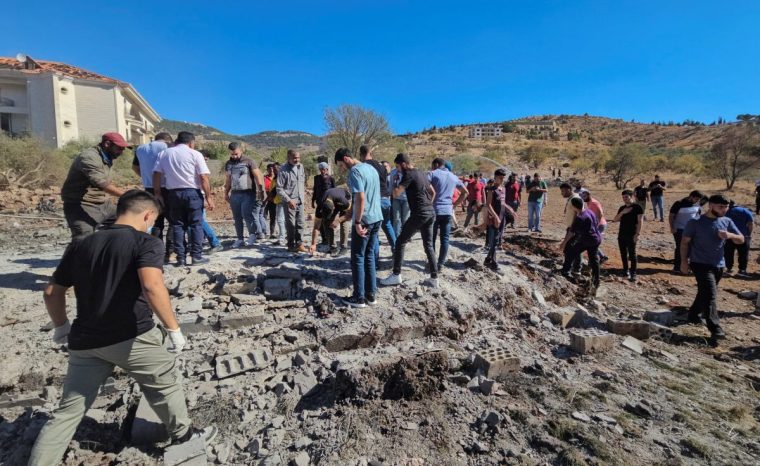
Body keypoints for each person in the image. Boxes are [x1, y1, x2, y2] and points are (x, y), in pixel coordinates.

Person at [27, 191, 216, 466]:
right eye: (153, 219)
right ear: (148, 215)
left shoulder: (82, 243)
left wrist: (61, 326)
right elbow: (151, 286)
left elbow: (51, 292)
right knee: (165, 385)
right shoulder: (146, 243)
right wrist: (173, 328)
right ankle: (185, 437)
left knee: (68, 412)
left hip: (85, 342)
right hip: (132, 336)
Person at [680, 194, 744, 340]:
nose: (724, 210)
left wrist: (729, 235)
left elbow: (741, 239)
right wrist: (684, 261)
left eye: (726, 207)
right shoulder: (695, 222)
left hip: (719, 264)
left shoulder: (727, 221)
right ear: (711, 205)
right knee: (710, 295)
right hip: (699, 263)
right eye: (721, 207)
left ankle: (693, 315)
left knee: (705, 291)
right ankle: (715, 328)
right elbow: (684, 242)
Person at [152, 131, 214, 267]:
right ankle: (196, 256)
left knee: (177, 225)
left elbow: (156, 174)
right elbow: (203, 177)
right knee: (196, 224)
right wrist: (208, 197)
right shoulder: (195, 154)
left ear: (176, 141)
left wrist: (157, 193)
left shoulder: (164, 154)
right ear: (191, 142)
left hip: (173, 194)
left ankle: (181, 258)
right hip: (192, 193)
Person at [380, 153, 439, 288]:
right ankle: (434, 278)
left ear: (404, 164)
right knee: (428, 245)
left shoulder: (408, 174)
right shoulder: (422, 173)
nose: (398, 169)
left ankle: (396, 275)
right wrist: (427, 205)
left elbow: (395, 193)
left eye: (398, 166)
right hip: (430, 212)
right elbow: (433, 192)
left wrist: (394, 179)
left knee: (400, 241)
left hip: (419, 213)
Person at [335, 148, 382, 308]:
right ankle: (371, 295)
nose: (341, 169)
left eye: (341, 165)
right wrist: (349, 214)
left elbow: (361, 197)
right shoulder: (371, 168)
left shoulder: (355, 172)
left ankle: (359, 297)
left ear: (346, 159)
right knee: (369, 255)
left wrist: (357, 222)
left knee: (357, 257)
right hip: (377, 217)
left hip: (365, 220)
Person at [61, 132, 127, 241]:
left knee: (127, 222)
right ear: (107, 144)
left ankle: (107, 252)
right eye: (119, 148)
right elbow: (101, 183)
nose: (121, 152)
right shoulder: (89, 157)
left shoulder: (107, 157)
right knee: (83, 240)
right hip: (80, 205)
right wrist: (128, 195)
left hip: (102, 203)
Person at [133, 132, 174, 261]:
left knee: (156, 221)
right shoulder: (168, 147)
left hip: (148, 189)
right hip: (167, 188)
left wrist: (145, 177)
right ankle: (171, 252)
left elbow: (134, 167)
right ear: (167, 140)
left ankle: (158, 252)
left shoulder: (140, 149)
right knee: (174, 221)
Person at [224, 142, 265, 247]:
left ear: (241, 150)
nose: (234, 156)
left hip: (248, 192)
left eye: (236, 154)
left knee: (246, 214)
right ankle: (240, 239)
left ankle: (252, 235)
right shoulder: (228, 164)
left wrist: (261, 191)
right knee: (236, 217)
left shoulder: (249, 161)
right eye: (232, 154)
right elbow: (228, 179)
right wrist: (226, 193)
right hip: (234, 193)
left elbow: (258, 176)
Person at [428, 158, 467, 270]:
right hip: (447, 211)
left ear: (436, 164)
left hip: (434, 211)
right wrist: (454, 205)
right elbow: (465, 193)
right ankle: (440, 264)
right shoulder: (453, 177)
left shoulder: (433, 174)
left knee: (431, 238)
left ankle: (432, 263)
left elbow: (424, 187)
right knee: (445, 239)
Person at [360, 145, 397, 253]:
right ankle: (396, 251)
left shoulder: (363, 166)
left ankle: (375, 261)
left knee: (373, 231)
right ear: (371, 153)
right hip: (386, 199)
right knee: (387, 224)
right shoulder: (381, 166)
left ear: (361, 155)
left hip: (374, 201)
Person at [560, 197, 602, 289]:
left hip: (588, 240)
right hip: (597, 238)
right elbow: (597, 222)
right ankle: (596, 281)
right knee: (594, 260)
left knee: (570, 250)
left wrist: (563, 243)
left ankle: (565, 271)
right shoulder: (589, 212)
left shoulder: (580, 218)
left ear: (574, 207)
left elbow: (571, 233)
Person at [483, 168, 515, 271]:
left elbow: (503, 202)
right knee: (494, 241)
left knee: (497, 239)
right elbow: (488, 205)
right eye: (500, 178)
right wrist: (495, 216)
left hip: (502, 218)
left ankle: (488, 259)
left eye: (503, 178)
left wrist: (510, 209)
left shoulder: (503, 189)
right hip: (494, 219)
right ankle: (494, 263)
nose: (502, 180)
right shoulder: (491, 190)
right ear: (495, 177)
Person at [276, 150, 307, 253]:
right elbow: (279, 189)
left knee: (301, 223)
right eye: (294, 158)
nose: (297, 160)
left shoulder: (300, 167)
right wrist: (289, 200)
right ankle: (290, 245)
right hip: (290, 201)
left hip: (300, 200)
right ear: (288, 158)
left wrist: (304, 195)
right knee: (290, 224)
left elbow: (302, 183)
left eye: (298, 157)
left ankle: (299, 244)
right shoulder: (283, 170)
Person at [668, 190, 704, 273]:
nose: (697, 201)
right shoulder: (679, 203)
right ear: (691, 196)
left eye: (699, 199)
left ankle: (687, 267)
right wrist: (672, 227)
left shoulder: (697, 204)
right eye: (696, 199)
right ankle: (677, 267)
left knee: (691, 248)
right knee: (680, 247)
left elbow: (698, 215)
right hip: (679, 228)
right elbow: (671, 216)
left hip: (692, 229)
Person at [308, 187, 351, 256]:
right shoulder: (320, 207)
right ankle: (333, 247)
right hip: (331, 199)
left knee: (344, 222)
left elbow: (349, 214)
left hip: (342, 198)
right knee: (326, 222)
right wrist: (313, 244)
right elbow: (316, 227)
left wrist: (338, 220)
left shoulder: (343, 201)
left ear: (334, 207)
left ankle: (344, 247)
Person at [612, 190, 644, 282]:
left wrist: (637, 234)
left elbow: (640, 221)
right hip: (622, 234)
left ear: (632, 196)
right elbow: (615, 219)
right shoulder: (622, 208)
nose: (624, 199)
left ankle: (633, 272)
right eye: (623, 197)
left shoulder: (638, 207)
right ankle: (625, 270)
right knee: (623, 254)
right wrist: (623, 212)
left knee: (632, 254)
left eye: (626, 197)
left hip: (632, 234)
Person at [725, 200, 753, 276]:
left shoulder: (726, 211)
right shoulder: (745, 210)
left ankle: (728, 269)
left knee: (728, 253)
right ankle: (742, 270)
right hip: (743, 235)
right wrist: (748, 234)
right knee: (743, 254)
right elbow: (750, 223)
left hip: (729, 235)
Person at [560, 182, 583, 274]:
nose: (561, 193)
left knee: (570, 249)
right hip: (571, 227)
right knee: (572, 248)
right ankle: (574, 268)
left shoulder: (575, 199)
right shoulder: (571, 198)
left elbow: (579, 214)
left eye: (563, 191)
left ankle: (572, 269)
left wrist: (573, 229)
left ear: (569, 189)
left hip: (574, 228)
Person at [580, 189, 608, 264]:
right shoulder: (589, 203)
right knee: (592, 241)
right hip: (597, 224)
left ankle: (601, 257)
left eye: (584, 196)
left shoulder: (594, 203)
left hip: (600, 225)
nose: (583, 198)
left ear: (589, 195)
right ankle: (602, 256)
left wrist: (596, 224)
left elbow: (600, 213)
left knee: (592, 241)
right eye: (582, 196)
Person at [311, 162, 335, 247]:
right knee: (319, 221)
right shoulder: (316, 178)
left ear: (327, 169)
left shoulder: (331, 179)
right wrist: (312, 200)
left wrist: (334, 203)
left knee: (327, 221)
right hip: (319, 202)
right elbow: (315, 190)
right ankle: (324, 239)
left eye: (324, 169)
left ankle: (329, 240)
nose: (322, 171)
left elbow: (333, 191)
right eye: (321, 169)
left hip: (328, 203)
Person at [390, 164, 410, 234]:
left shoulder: (408, 172)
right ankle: (396, 236)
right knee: (396, 219)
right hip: (396, 198)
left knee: (405, 219)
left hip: (406, 199)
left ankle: (405, 235)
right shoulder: (393, 172)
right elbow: (391, 185)